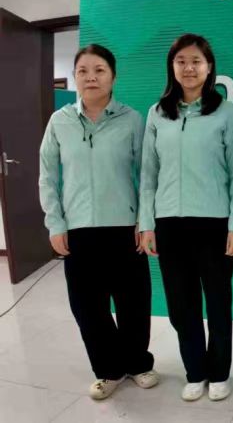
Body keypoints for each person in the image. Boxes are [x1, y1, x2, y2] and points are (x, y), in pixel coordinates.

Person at [38, 44, 158, 400]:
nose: (91, 77)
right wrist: (55, 223)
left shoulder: (132, 120)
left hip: (124, 229)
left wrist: (144, 221)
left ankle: (137, 363)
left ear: (113, 76)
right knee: (88, 308)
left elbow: (147, 175)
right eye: (83, 71)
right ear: (75, 78)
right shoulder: (59, 122)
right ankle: (108, 370)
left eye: (99, 70)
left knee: (134, 303)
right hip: (77, 231)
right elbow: (47, 176)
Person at [139, 33, 233, 402]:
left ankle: (220, 373)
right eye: (181, 61)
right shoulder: (157, 113)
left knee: (218, 303)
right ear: (172, 66)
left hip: (214, 223)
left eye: (196, 61)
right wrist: (146, 223)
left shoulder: (227, 113)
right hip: (169, 224)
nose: (189, 68)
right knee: (182, 306)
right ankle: (195, 372)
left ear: (209, 67)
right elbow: (148, 173)